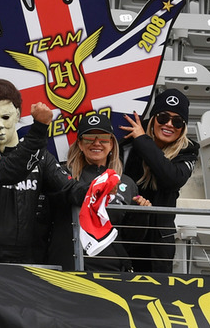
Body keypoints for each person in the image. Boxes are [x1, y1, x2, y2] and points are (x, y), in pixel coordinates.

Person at [0, 78, 79, 264]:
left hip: (24, 258)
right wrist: (39, 129)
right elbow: (6, 171)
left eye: (5, 117)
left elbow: (68, 188)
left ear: (18, 115)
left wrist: (100, 189)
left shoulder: (40, 156)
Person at [47, 112, 151, 271]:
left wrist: (141, 214)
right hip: (70, 268)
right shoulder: (63, 174)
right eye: (89, 138)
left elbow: (131, 240)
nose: (96, 143)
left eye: (103, 139)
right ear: (80, 144)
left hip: (112, 271)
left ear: (111, 145)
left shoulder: (127, 183)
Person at [120, 88, 198, 274]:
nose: (169, 124)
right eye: (163, 117)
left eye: (177, 121)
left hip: (157, 245)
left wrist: (142, 140)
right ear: (153, 118)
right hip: (125, 234)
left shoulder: (189, 151)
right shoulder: (129, 140)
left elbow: (171, 178)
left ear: (183, 127)